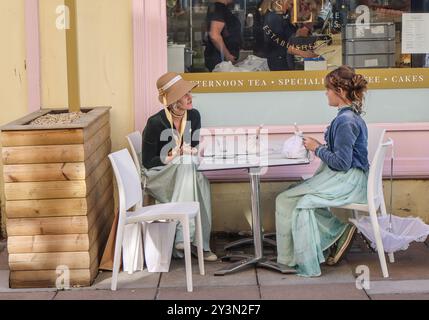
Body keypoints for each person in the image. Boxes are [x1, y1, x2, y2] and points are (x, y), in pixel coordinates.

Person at [275, 65, 369, 277]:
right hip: (347, 177)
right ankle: (335, 234)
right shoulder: (348, 116)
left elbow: (343, 163)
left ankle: (296, 258)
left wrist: (316, 148)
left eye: (327, 89)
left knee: (290, 200)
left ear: (340, 92)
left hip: (347, 180)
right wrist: (318, 145)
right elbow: (343, 155)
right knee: (290, 194)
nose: (325, 93)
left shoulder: (345, 121)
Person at [141, 72, 217, 262]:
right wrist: (173, 155)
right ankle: (195, 242)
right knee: (190, 169)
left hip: (183, 172)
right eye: (185, 94)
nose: (190, 97)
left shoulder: (194, 116)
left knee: (199, 178)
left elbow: (194, 147)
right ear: (174, 101)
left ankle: (192, 241)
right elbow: (148, 162)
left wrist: (189, 152)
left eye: (189, 92)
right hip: (159, 175)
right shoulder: (155, 123)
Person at [260, 0, 319, 71]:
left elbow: (291, 37)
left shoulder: (283, 16)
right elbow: (280, 44)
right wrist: (303, 53)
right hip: (279, 62)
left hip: (285, 59)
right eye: (291, 4)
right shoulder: (273, 18)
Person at [204, 0, 242, 71]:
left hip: (222, 61)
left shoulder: (218, 8)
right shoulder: (218, 8)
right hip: (220, 61)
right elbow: (214, 35)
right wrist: (227, 55)